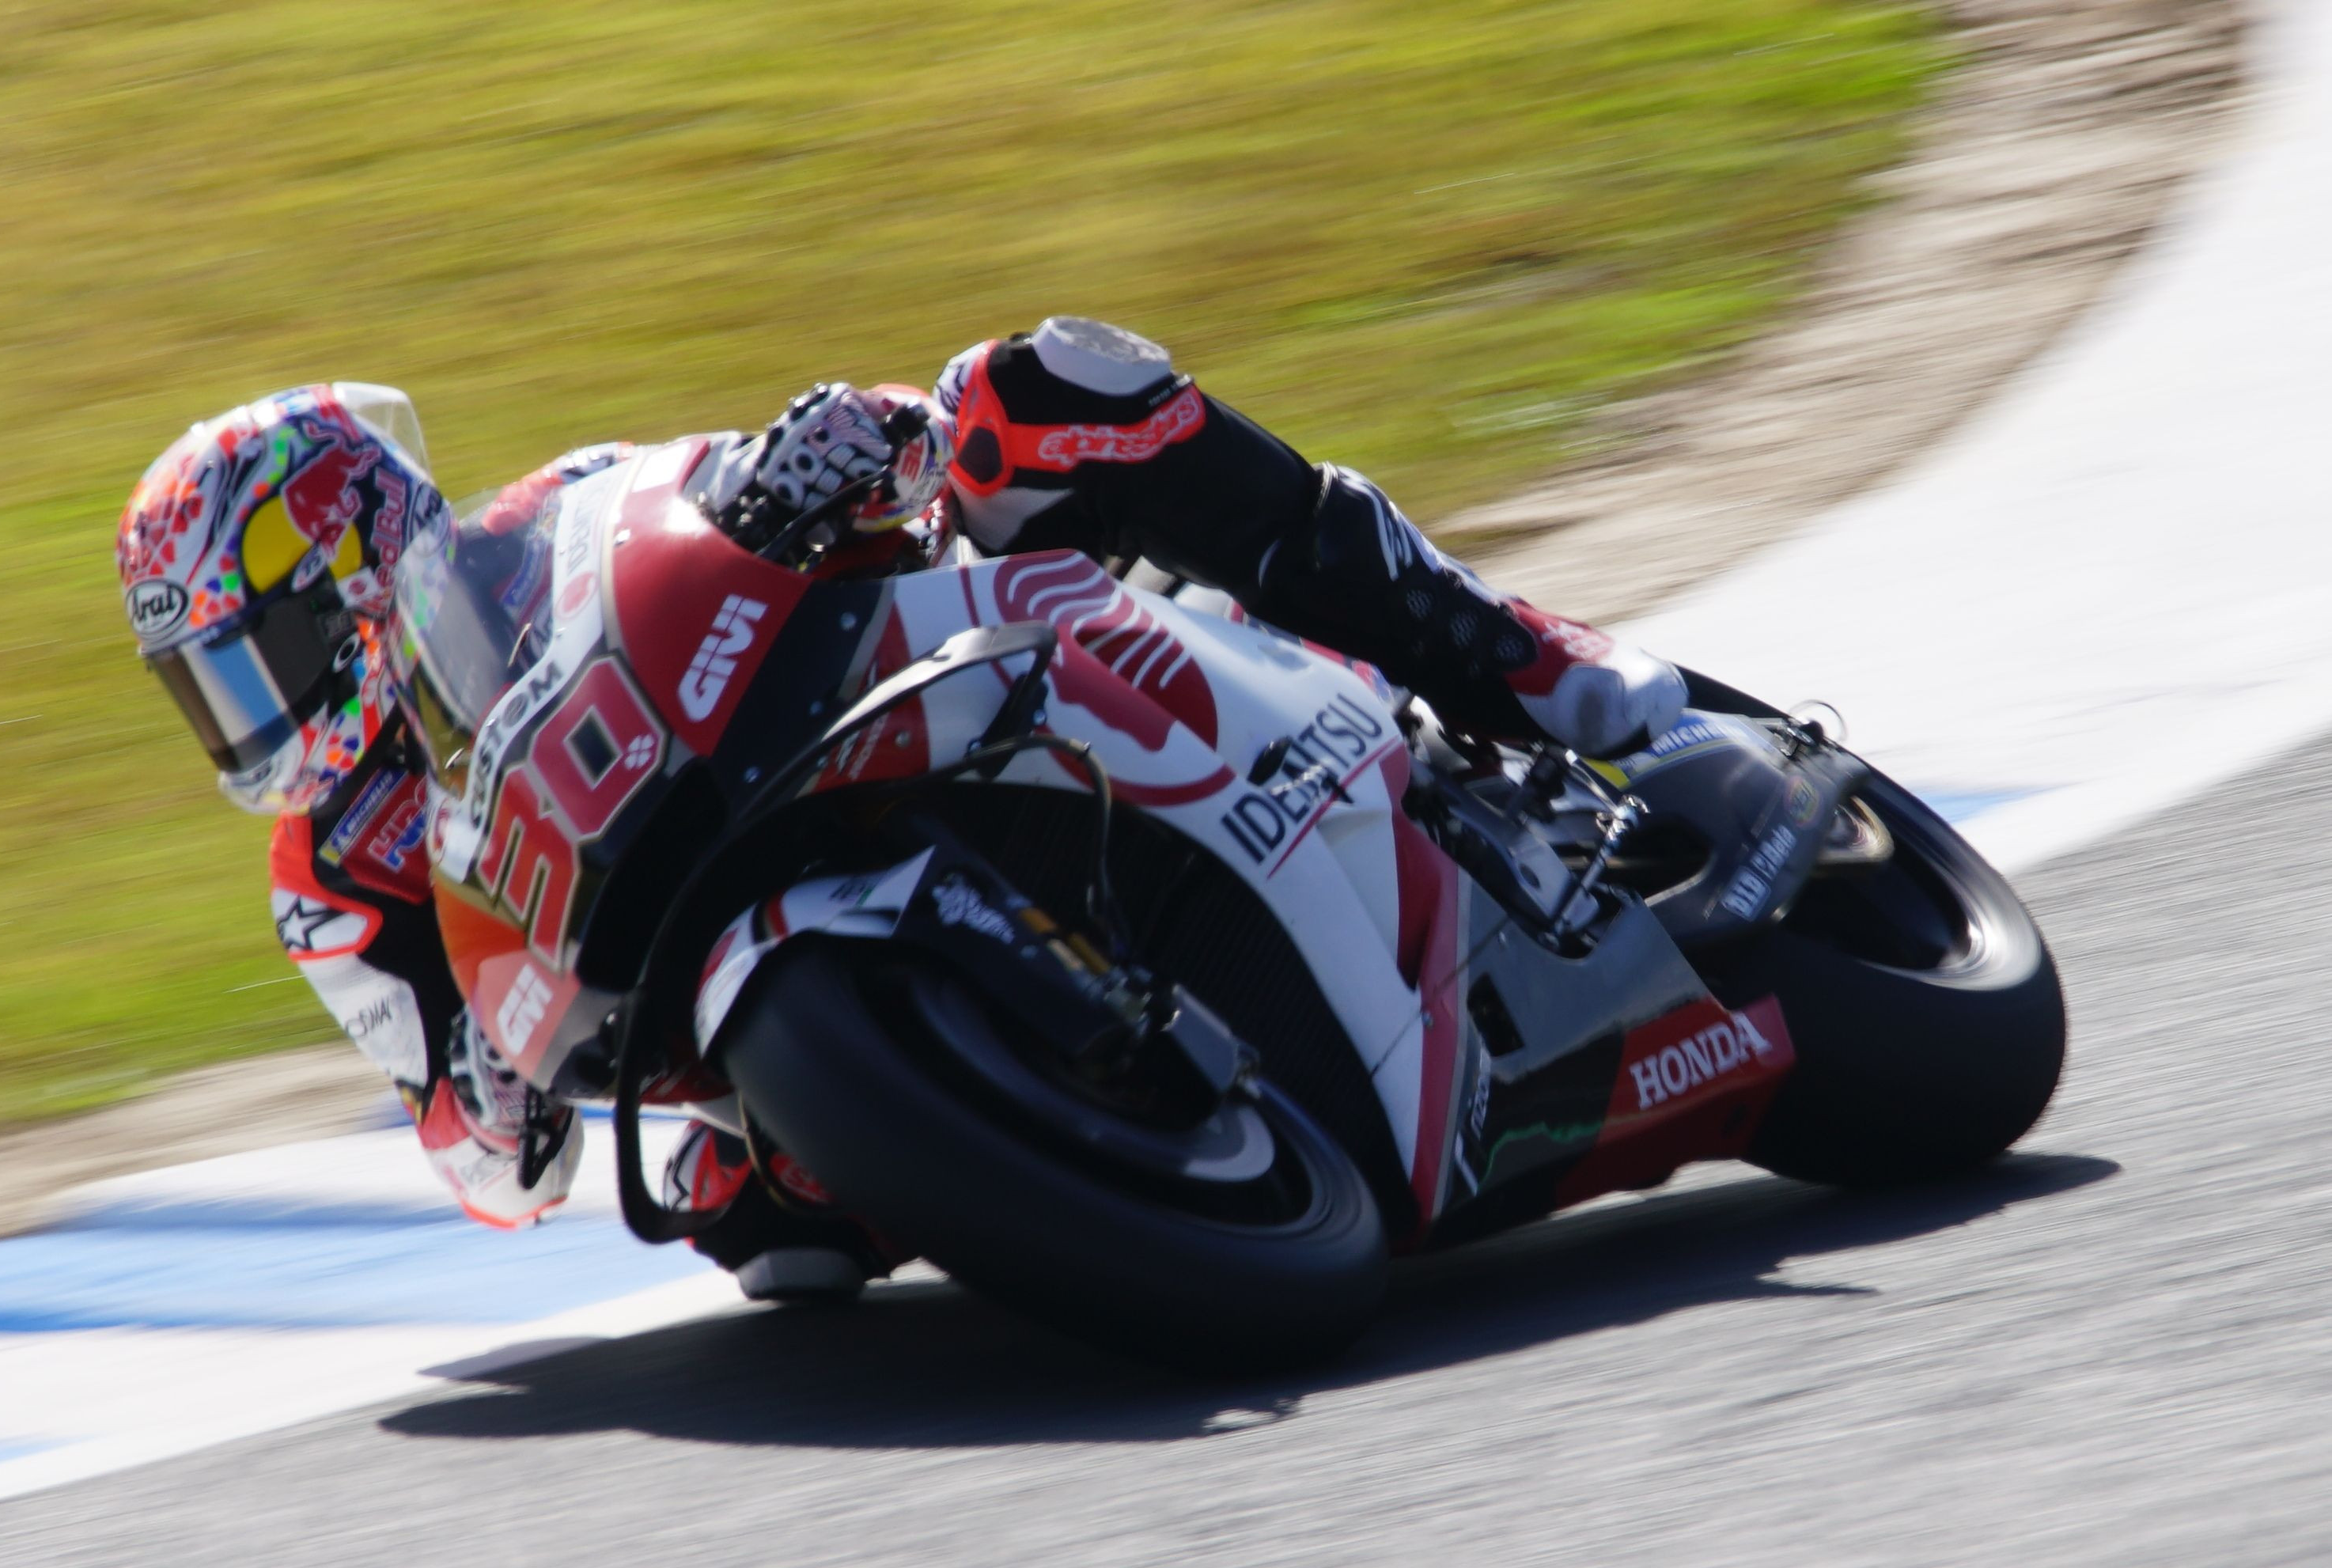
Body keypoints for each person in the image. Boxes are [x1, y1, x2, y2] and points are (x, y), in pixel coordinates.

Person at [113, 320, 1687, 1297]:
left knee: (1033, 388)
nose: (248, 721)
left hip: (838, 745)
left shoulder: (539, 523)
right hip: (715, 1050)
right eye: (209, 691)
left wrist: (827, 459)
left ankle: (1504, 653)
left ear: (354, 567)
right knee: (776, 1248)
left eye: (257, 664)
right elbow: (493, 1177)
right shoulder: (330, 881)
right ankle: (1088, 1146)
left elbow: (813, 483)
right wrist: (487, 1085)